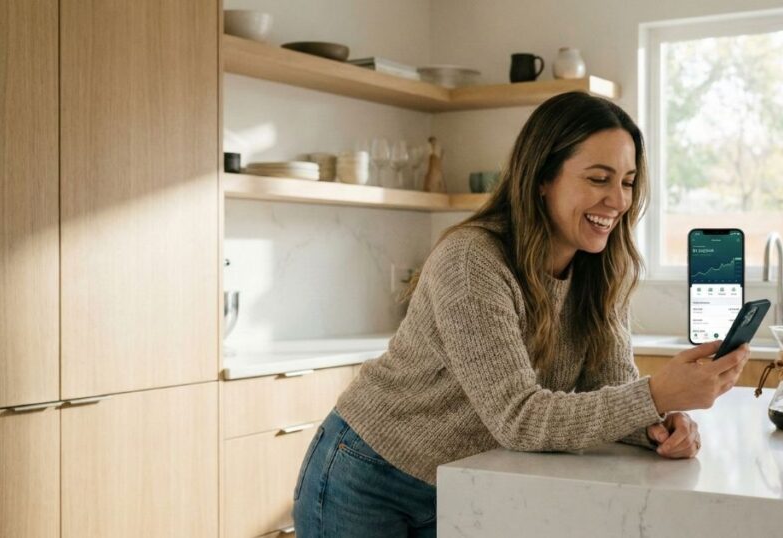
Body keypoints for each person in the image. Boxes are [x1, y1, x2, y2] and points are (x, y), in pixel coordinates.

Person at [292, 91, 750, 537]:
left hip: (465, 481)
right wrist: (655, 393)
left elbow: (607, 391)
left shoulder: (600, 270)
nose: (619, 200)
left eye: (627, 182)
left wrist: (658, 426)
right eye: (598, 179)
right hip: (368, 476)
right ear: (542, 179)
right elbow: (519, 417)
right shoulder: (472, 260)